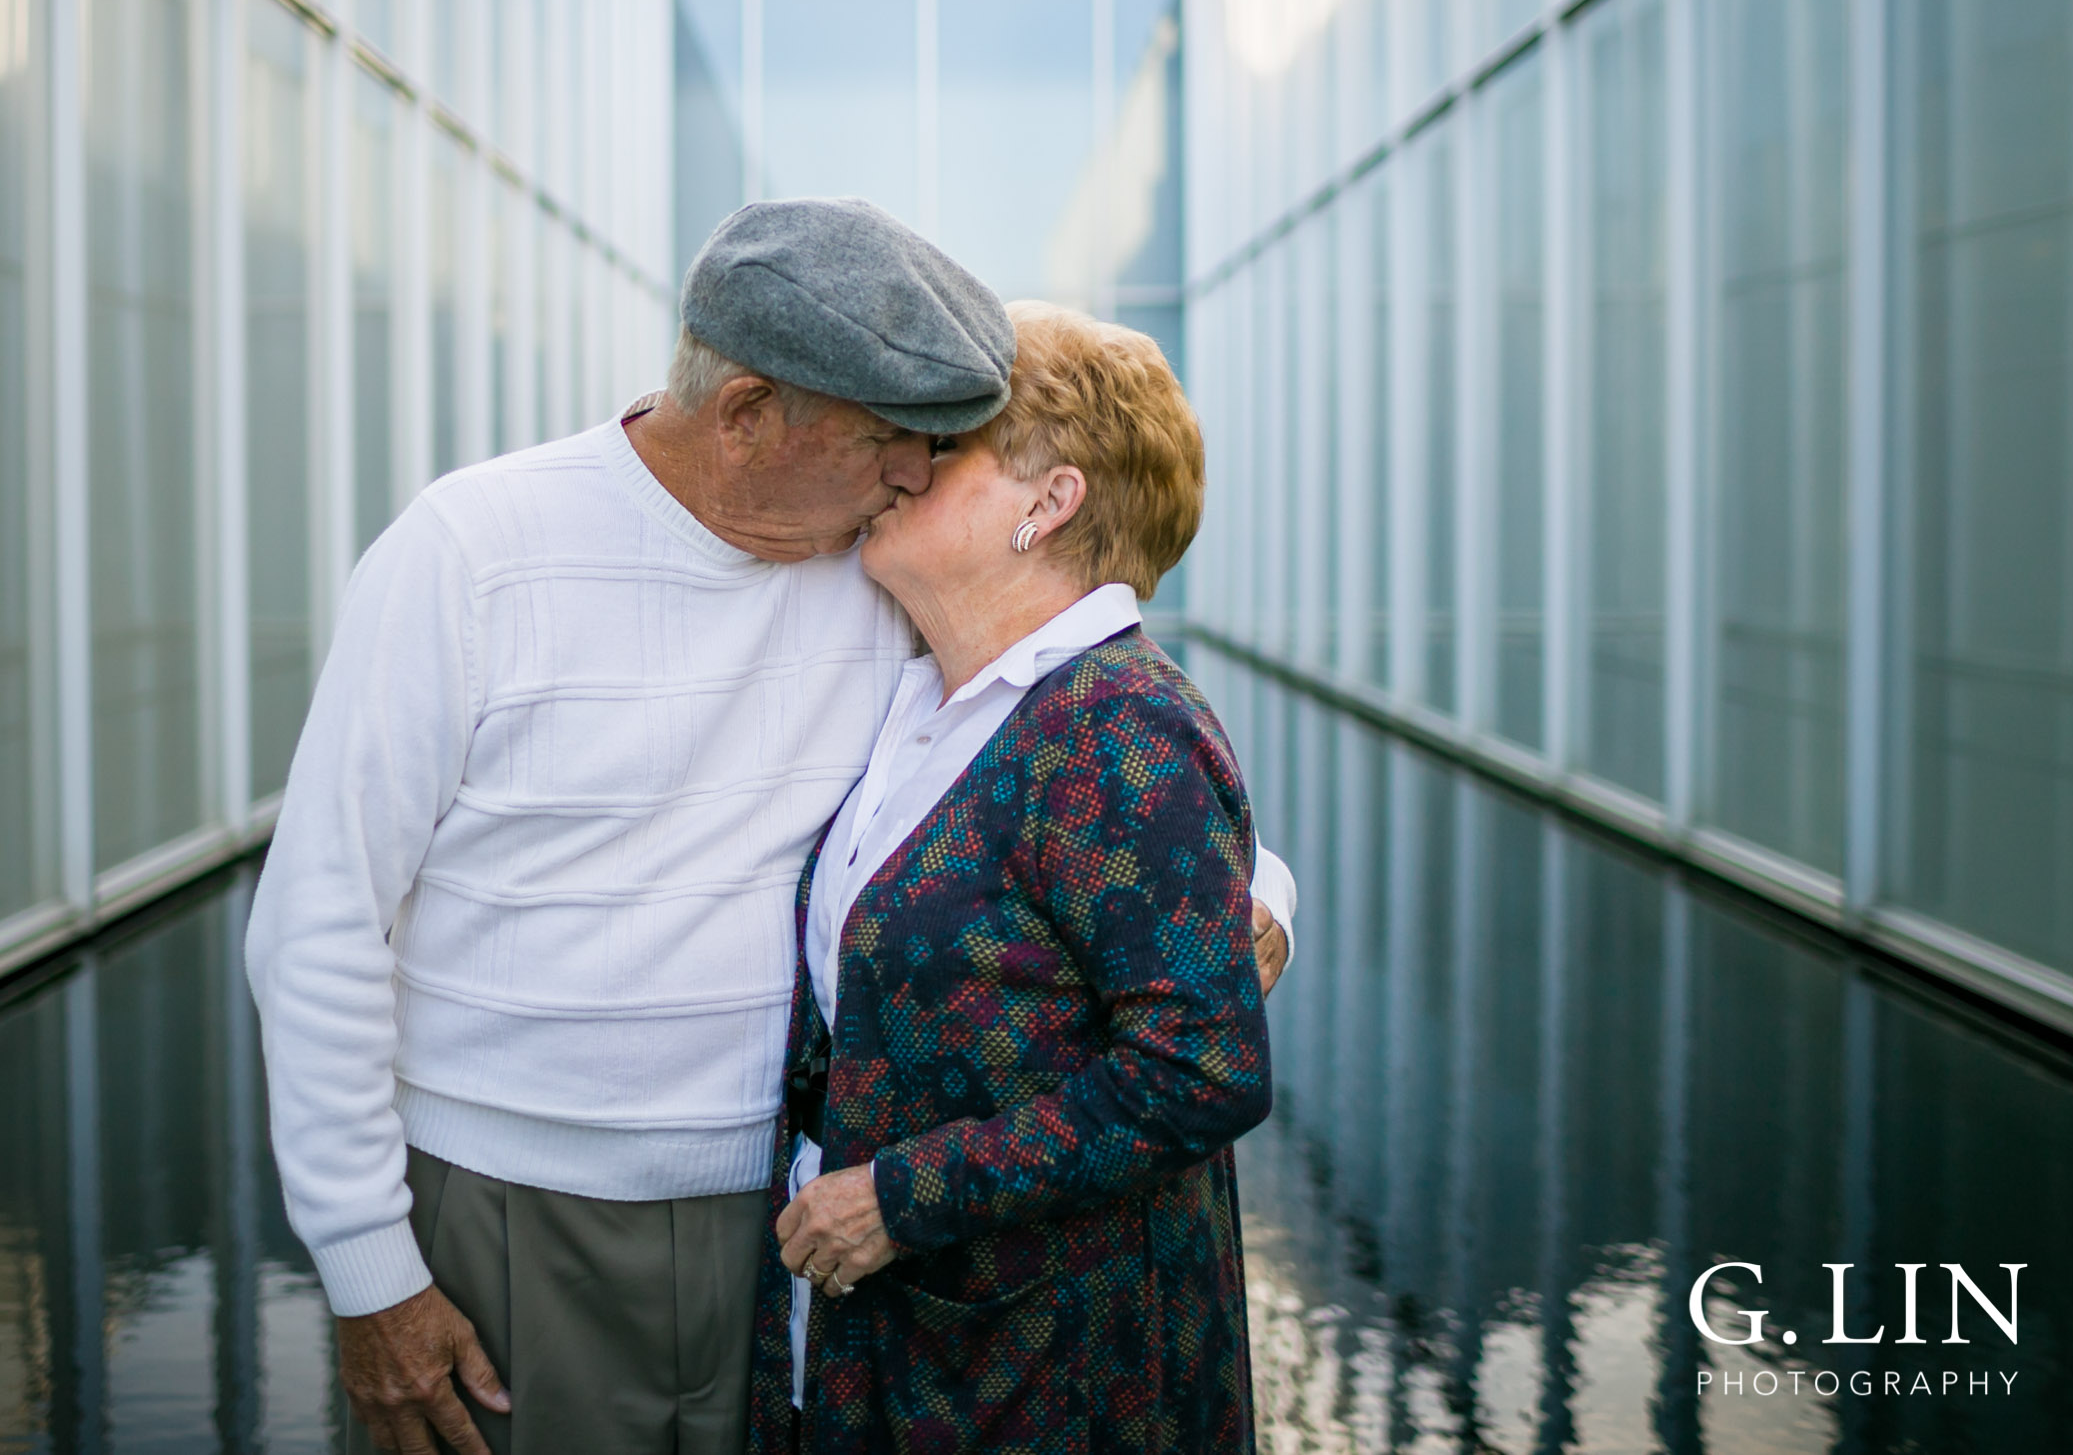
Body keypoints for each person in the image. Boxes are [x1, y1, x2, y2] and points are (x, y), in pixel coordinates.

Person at [247, 198, 1294, 1455]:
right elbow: (316, 926)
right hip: (519, 1215)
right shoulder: (471, 554)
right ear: (748, 414)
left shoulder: (873, 576)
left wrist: (1260, 899)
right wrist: (369, 1269)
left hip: (787, 1229)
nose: (913, 473)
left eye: (941, 447)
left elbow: (1102, 761)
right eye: (893, 440)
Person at [753, 301, 1272, 1453]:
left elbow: (1203, 1068)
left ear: (1049, 501)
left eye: (943, 450)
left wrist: (902, 1195)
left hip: (1049, 1372)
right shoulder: (923, 698)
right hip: (901, 1334)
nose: (899, 469)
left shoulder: (1117, 726)